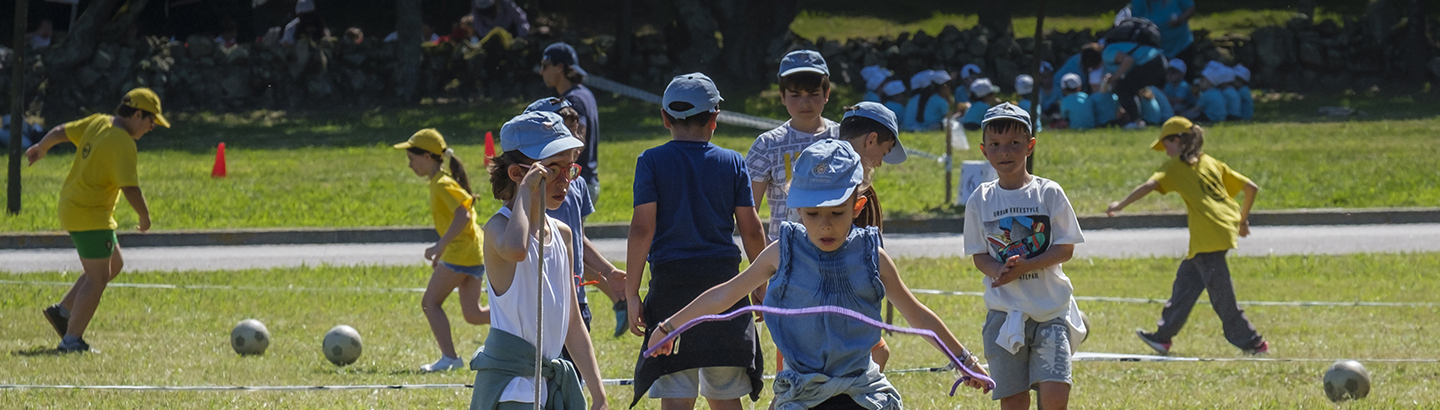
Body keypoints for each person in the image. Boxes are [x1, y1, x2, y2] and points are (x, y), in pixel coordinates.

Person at [648, 139, 990, 410]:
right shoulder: (784, 250)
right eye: (812, 214)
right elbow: (725, 294)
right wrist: (669, 327)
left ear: (857, 205)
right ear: (797, 208)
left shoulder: (873, 256)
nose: (824, 224)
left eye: (837, 212)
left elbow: (918, 316)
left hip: (862, 392)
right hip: (800, 395)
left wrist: (965, 361)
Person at [626, 73, 768, 409]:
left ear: (664, 118)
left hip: (670, 288)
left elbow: (642, 229)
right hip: (725, 289)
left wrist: (632, 294)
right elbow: (751, 230)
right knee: (726, 394)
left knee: (676, 393)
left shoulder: (651, 162)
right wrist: (762, 284)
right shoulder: (732, 162)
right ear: (715, 119)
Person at [471, 111, 608, 410]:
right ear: (518, 173)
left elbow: (572, 321)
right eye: (552, 170)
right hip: (510, 389)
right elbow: (517, 249)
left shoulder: (563, 235)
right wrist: (526, 191)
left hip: (549, 387)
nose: (564, 181)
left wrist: (599, 394)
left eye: (569, 168)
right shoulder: (497, 228)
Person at [1106, 117, 1269, 357]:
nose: (1166, 151)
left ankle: (1253, 343)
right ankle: (1162, 337)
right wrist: (1242, 220)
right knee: (1186, 282)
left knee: (1221, 296)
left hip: (1208, 235)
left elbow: (1149, 186)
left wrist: (1119, 205)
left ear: (1178, 140)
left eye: (1167, 145)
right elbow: (1251, 188)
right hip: (1220, 229)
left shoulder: (1176, 167)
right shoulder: (1210, 162)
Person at [964, 103, 1087, 410]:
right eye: (995, 145)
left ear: (1030, 146)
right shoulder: (980, 199)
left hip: (1051, 313)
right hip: (1005, 317)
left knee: (1056, 397)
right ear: (984, 150)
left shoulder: (1049, 193)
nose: (1004, 152)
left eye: (1014, 144)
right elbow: (979, 254)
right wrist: (999, 270)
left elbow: (1066, 247)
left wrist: (1027, 266)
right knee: (1014, 402)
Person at [28, 88, 170, 353]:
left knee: (113, 264)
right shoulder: (123, 142)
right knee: (97, 277)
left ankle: (63, 312)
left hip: (73, 206)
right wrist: (144, 215)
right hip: (90, 213)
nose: (152, 127)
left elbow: (60, 131)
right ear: (137, 114)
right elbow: (130, 188)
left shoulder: (98, 121)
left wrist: (42, 146)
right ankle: (71, 341)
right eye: (151, 121)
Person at [523, 97, 630, 339]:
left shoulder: (577, 183)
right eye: (565, 134)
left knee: (575, 374)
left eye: (576, 132)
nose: (576, 143)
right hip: (542, 303)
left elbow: (577, 240)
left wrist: (608, 271)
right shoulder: (530, 188)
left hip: (576, 302)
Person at [392, 129, 491, 372]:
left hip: (462, 254)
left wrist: (439, 245)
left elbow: (463, 215)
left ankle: (450, 358)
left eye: (412, 159)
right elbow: (460, 219)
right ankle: (521, 314)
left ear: (427, 157)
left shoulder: (441, 183)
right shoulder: (443, 181)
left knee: (430, 303)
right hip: (473, 252)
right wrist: (441, 251)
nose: (409, 165)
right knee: (473, 314)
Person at [747, 50, 838, 243]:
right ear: (782, 96)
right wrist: (764, 264)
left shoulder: (844, 139)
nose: (805, 102)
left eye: (813, 94)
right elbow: (748, 211)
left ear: (826, 94)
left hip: (836, 249)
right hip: (786, 251)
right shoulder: (767, 144)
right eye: (795, 95)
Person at [540, 43, 602, 206]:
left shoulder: (573, 101)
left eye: (545, 66)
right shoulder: (585, 93)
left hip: (575, 183)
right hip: (586, 181)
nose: (541, 72)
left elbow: (577, 142)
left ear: (560, 67)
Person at [1102, 39, 1167, 128]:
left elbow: (1129, 60)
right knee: (1129, 88)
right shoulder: (1120, 46)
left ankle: (1137, 122)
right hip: (1159, 60)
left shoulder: (1107, 52)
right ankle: (1137, 120)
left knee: (1122, 88)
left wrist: (1115, 76)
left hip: (1151, 62)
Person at [1130, 0, 1197, 72]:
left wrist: (1180, 19)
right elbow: (1136, 23)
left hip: (1182, 46)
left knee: (1187, 77)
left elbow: (1190, 8)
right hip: (1155, 51)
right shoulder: (1138, 2)